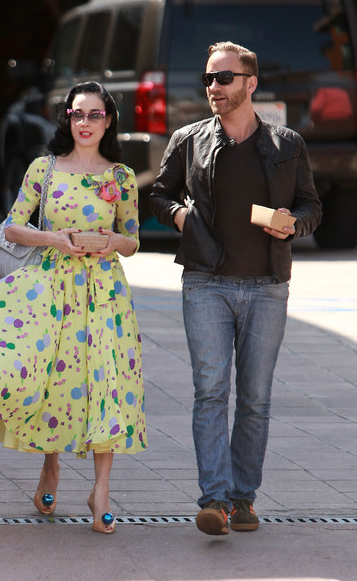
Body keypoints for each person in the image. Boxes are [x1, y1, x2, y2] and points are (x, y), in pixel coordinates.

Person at [0, 81, 147, 535]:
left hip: (105, 294)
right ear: (66, 118)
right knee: (55, 380)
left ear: (109, 120)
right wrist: (54, 238)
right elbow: (13, 228)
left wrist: (113, 241)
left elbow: (133, 240)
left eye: (94, 114)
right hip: (51, 289)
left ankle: (101, 492)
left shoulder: (122, 177)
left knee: (106, 383)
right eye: (77, 114)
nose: (85, 122)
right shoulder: (44, 168)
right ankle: (50, 465)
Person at [150, 42, 321, 536]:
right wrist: (180, 216)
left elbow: (312, 206)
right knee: (210, 392)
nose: (214, 87)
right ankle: (215, 500)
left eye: (224, 78)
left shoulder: (287, 144)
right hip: (206, 283)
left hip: (267, 286)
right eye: (208, 78)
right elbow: (158, 194)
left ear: (250, 83)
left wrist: (294, 224)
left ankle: (243, 498)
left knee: (255, 398)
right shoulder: (189, 139)